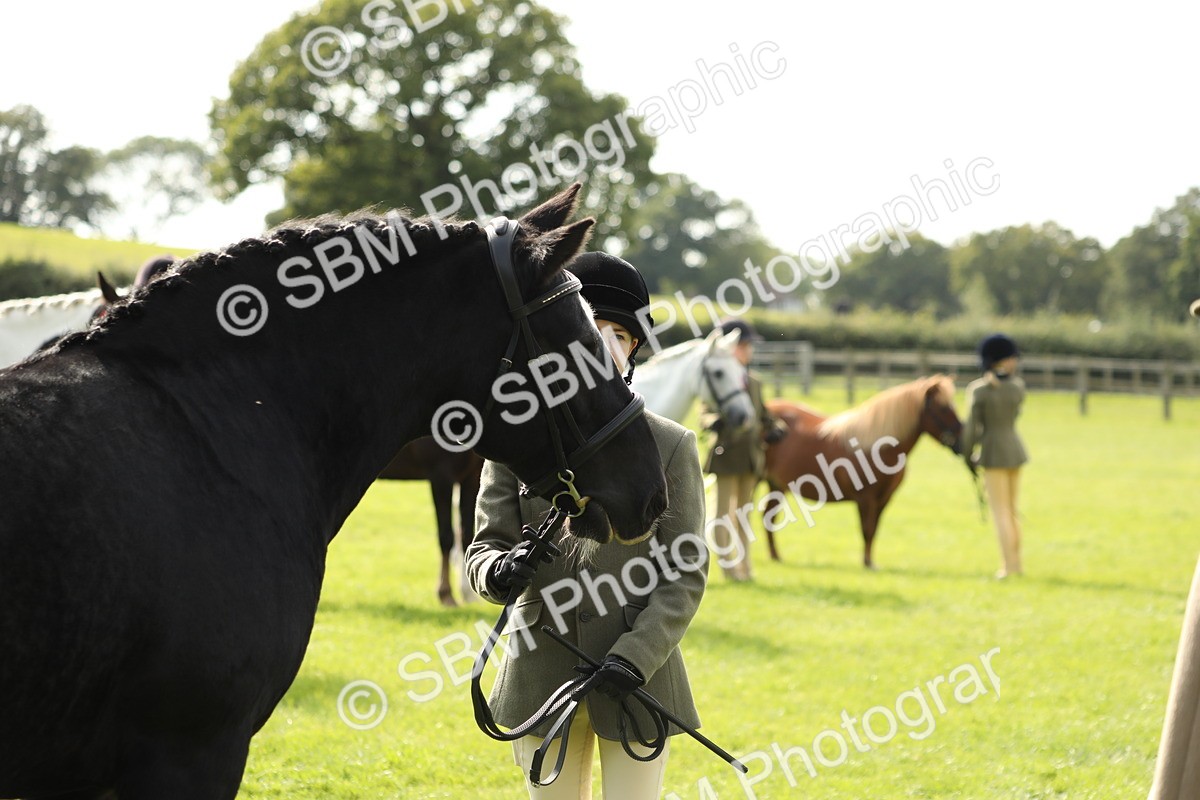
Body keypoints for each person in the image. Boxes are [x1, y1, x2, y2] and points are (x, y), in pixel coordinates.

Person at [465, 251, 707, 800]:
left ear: (635, 348)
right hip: (536, 671)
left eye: (619, 333)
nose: (605, 344)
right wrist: (497, 572)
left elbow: (685, 574)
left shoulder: (671, 444)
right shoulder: (512, 443)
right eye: (592, 329)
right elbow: (484, 546)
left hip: (637, 676)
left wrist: (634, 658)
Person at [700, 318, 786, 582]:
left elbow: (762, 413)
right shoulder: (719, 377)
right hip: (726, 455)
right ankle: (728, 567)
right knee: (722, 513)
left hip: (750, 457)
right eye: (746, 345)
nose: (750, 351)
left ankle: (745, 566)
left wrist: (775, 426)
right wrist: (712, 422)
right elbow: (705, 411)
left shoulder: (754, 382)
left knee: (744, 514)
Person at [961, 333, 1029, 579]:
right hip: (1015, 449)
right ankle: (1016, 564)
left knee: (1000, 512)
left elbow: (971, 429)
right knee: (1011, 510)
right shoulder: (1018, 387)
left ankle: (1008, 566)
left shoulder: (979, 391)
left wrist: (967, 454)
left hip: (992, 452)